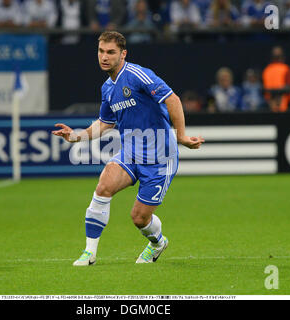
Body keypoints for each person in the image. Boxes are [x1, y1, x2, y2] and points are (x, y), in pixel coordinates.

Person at [52, 31, 204, 266]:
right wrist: (76, 136)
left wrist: (181, 135)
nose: (104, 57)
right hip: (130, 153)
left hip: (160, 157)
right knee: (103, 186)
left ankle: (157, 242)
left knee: (139, 218)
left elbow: (172, 99)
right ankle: (89, 253)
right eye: (101, 51)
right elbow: (105, 123)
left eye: (110, 52)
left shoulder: (138, 75)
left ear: (123, 54)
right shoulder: (107, 88)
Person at [262, 46, 290, 112]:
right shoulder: (285, 68)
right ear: (282, 57)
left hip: (275, 102)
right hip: (277, 101)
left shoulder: (267, 70)